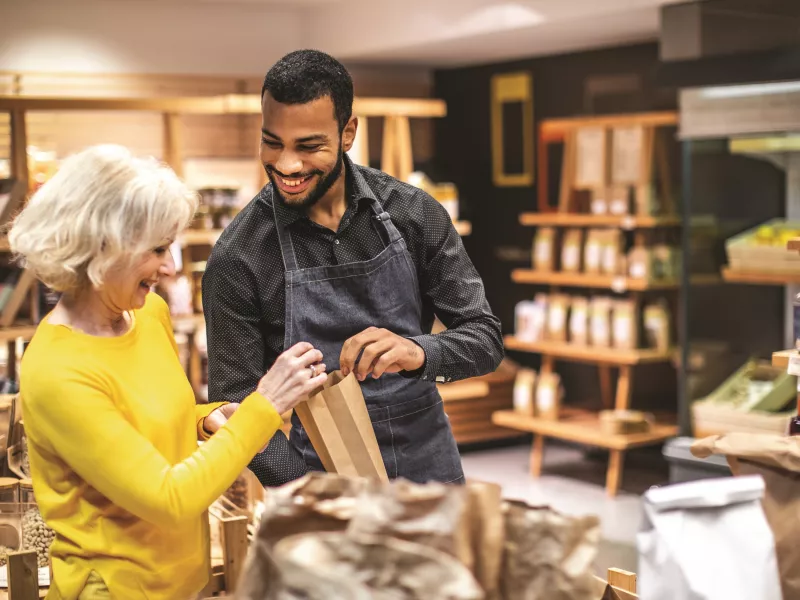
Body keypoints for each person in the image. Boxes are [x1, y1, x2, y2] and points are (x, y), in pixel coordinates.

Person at [9, 144, 327, 600]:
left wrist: (206, 419)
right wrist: (265, 405)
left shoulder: (148, 314)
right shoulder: (59, 372)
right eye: (157, 249)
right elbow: (170, 499)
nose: (171, 266)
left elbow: (141, 422)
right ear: (102, 248)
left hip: (181, 581)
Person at [202, 49, 504, 488]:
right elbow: (236, 409)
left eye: (309, 147)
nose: (287, 165)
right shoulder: (240, 257)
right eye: (273, 142)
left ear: (347, 133)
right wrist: (310, 488)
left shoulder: (413, 215)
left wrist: (418, 352)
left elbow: (485, 337)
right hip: (318, 483)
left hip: (430, 474)